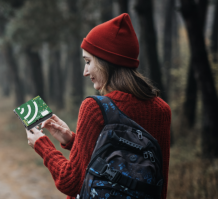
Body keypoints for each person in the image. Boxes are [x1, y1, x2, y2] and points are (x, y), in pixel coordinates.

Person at [26, 13, 171, 199]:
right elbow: (157, 184)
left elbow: (71, 182)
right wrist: (72, 141)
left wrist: (41, 144)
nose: (85, 72)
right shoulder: (161, 110)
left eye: (88, 62)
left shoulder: (94, 107)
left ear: (106, 62)